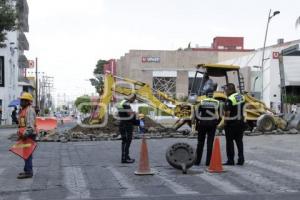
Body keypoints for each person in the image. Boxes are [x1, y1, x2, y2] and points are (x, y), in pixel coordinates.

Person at [194, 84, 220, 166]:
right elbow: (218, 115)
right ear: (212, 95)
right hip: (212, 124)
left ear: (205, 94)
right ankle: (208, 162)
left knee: (200, 143)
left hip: (202, 124)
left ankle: (197, 161)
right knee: (210, 143)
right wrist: (217, 122)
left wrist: (197, 123)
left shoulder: (202, 102)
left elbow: (196, 114)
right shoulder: (217, 102)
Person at [223, 83, 246, 166]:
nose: (224, 91)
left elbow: (227, 113)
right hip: (241, 122)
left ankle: (230, 160)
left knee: (229, 142)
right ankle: (241, 159)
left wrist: (224, 123)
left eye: (225, 90)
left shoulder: (229, 99)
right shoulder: (241, 96)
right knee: (239, 142)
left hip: (231, 124)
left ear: (230, 90)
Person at [17, 92, 37, 179]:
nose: (21, 102)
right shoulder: (23, 110)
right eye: (21, 100)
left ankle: (29, 172)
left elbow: (30, 126)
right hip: (25, 135)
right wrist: (20, 133)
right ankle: (26, 170)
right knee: (26, 153)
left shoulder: (29, 110)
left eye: (23, 100)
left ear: (28, 101)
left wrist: (24, 135)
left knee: (28, 154)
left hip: (29, 135)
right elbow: (22, 124)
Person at [117, 94, 137, 164]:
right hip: (126, 125)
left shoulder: (121, 104)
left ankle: (126, 156)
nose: (133, 101)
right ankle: (124, 158)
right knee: (126, 141)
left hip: (123, 124)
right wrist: (134, 114)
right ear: (131, 98)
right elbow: (130, 114)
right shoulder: (126, 104)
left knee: (125, 141)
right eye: (133, 99)